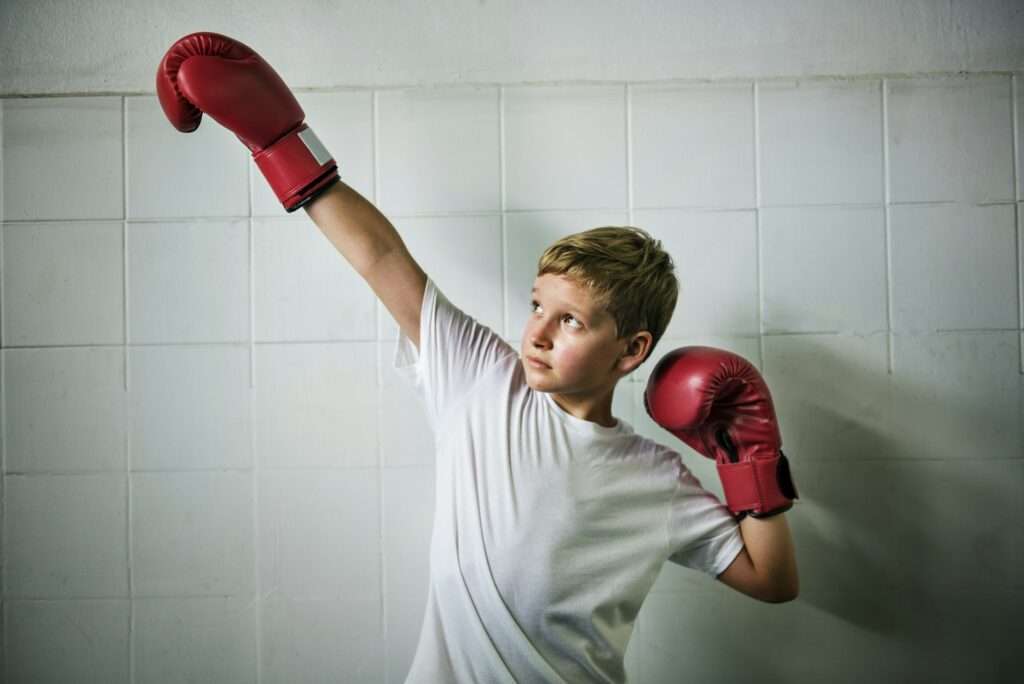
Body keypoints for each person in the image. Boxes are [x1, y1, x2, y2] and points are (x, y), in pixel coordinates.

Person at [157, 31, 799, 684]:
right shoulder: (485, 381)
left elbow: (772, 581)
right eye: (536, 307)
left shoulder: (655, 478)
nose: (538, 334)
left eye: (570, 321)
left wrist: (749, 460)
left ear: (631, 351)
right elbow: (382, 259)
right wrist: (279, 142)